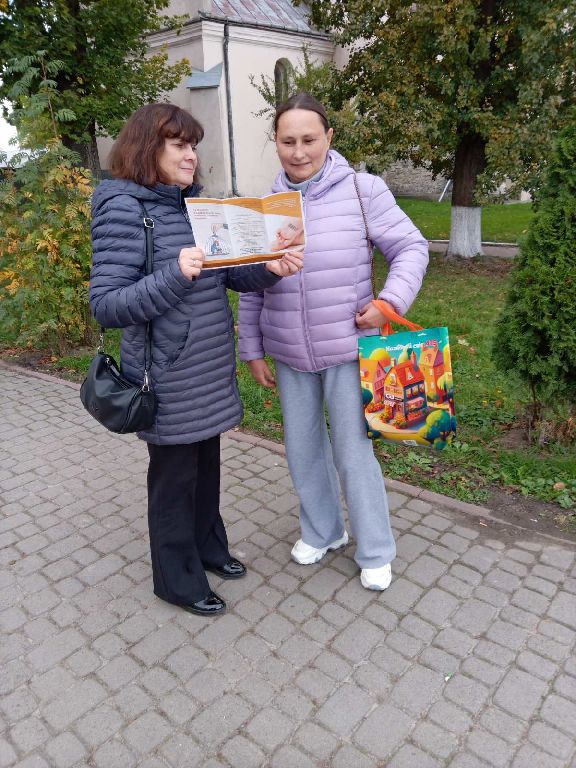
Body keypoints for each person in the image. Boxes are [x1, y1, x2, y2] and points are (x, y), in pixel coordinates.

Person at [89, 103, 303, 616]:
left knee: (206, 470)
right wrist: (172, 275)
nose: (192, 155)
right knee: (174, 482)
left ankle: (209, 548)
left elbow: (226, 275)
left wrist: (270, 268)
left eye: (193, 146)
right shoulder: (124, 208)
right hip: (166, 376)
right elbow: (107, 305)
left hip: (206, 368)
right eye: (180, 145)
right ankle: (177, 580)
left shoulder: (195, 206)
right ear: (149, 148)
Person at [239, 93, 428, 591]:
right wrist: (252, 347)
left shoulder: (364, 190)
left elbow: (411, 247)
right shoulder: (266, 205)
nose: (299, 152)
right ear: (276, 143)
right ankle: (324, 531)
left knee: (352, 452)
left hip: (349, 348)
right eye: (288, 141)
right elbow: (254, 282)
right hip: (289, 352)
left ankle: (375, 549)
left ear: (329, 137)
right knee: (302, 449)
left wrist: (389, 302)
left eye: (309, 139)